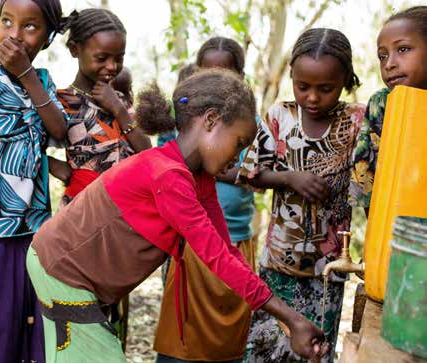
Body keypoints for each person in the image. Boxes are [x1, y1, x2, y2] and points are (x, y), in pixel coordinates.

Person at [27, 68, 327, 363]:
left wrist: (289, 320)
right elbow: (216, 257)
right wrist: (291, 318)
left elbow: (224, 251)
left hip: (71, 271)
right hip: (62, 268)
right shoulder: (168, 176)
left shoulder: (199, 179)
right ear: (211, 120)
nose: (238, 158)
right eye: (238, 144)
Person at [238, 28, 365, 363]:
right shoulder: (279, 116)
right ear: (292, 78)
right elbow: (251, 173)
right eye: (303, 86)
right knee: (267, 350)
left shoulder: (356, 122)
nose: (312, 97)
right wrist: (289, 177)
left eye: (326, 89)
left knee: (314, 352)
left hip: (328, 270)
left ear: (346, 81)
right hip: (278, 263)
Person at [154, 36, 259, 363]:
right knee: (183, 333)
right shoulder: (183, 122)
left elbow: (251, 170)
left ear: (241, 77)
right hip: (189, 243)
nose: (219, 82)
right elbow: (185, 169)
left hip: (234, 238)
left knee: (227, 335)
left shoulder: (245, 123)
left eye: (227, 74)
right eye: (209, 72)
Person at [0, 0, 68, 361]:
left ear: (48, 37)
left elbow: (58, 128)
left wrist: (26, 75)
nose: (15, 35)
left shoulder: (43, 81)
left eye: (30, 26)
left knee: (30, 334)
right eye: (7, 21)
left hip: (34, 231)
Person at [48, 8, 151, 207]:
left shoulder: (121, 99)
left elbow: (146, 151)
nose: (112, 66)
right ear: (74, 49)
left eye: (119, 58)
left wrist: (119, 110)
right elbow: (27, 147)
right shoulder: (60, 102)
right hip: (84, 211)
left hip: (128, 208)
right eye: (102, 58)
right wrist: (50, 164)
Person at [350, 5, 427, 214]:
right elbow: (367, 176)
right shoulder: (381, 104)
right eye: (382, 56)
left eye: (403, 49)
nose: (389, 64)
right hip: (395, 227)